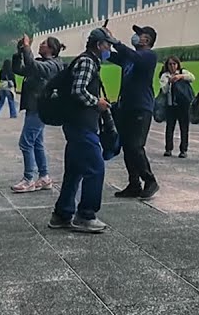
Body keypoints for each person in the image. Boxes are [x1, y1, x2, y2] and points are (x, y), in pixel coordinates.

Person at [49, 27, 113, 233]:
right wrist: (97, 103)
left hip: (75, 123)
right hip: (82, 124)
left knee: (75, 171)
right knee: (96, 168)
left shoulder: (88, 60)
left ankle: (62, 214)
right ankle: (86, 214)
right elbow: (78, 90)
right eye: (107, 44)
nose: (109, 48)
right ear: (98, 45)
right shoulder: (87, 61)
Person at [107, 25, 160, 199]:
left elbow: (130, 55)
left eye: (140, 35)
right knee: (127, 147)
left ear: (147, 40)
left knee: (136, 146)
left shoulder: (148, 56)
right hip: (127, 107)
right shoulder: (131, 59)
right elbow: (114, 56)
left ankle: (150, 180)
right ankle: (134, 184)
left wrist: (115, 41)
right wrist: (103, 43)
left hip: (141, 107)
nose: (136, 37)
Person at [11, 34, 64, 192]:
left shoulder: (52, 65)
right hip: (34, 106)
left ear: (51, 49)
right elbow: (19, 69)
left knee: (26, 142)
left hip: (39, 108)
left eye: (43, 44)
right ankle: (44, 176)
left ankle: (29, 179)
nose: (40, 46)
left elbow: (32, 66)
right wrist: (20, 50)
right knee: (37, 143)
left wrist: (27, 47)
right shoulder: (42, 63)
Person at [159, 56, 195, 158]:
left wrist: (180, 76)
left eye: (174, 64)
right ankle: (168, 148)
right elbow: (164, 91)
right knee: (170, 127)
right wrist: (169, 82)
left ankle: (183, 150)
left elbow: (192, 78)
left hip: (183, 104)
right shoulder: (165, 76)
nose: (172, 66)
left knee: (184, 128)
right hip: (171, 105)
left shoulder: (183, 72)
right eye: (170, 64)